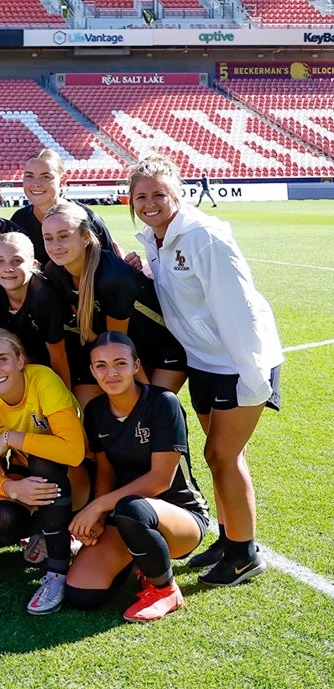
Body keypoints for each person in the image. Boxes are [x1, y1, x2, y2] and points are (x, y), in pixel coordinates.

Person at [129, 154, 281, 587]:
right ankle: (229, 540)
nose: (151, 202)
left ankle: (244, 555)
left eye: (159, 193)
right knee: (222, 460)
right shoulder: (156, 238)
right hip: (204, 362)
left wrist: (252, 377)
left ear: (178, 192)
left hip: (238, 362)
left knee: (221, 454)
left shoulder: (204, 236)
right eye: (142, 196)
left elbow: (239, 308)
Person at [66, 332, 210, 621]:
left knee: (132, 507)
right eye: (102, 365)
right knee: (81, 593)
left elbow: (160, 480)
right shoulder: (95, 411)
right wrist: (99, 518)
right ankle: (139, 559)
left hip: (178, 516)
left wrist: (97, 506)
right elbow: (105, 470)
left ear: (135, 366)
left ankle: (165, 589)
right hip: (124, 515)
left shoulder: (162, 403)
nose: (111, 373)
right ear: (93, 371)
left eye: (120, 363)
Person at [0, 328, 86, 615]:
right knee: (0, 516)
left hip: (77, 474)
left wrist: (11, 437)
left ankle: (57, 572)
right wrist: (13, 489)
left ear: (20, 360)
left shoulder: (43, 379)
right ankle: (47, 531)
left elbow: (74, 451)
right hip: (28, 476)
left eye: (2, 359)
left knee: (44, 461)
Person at [42, 201, 186, 408]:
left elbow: (120, 347)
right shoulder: (55, 272)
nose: (55, 246)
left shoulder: (113, 278)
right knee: (92, 414)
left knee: (148, 410)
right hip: (117, 349)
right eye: (48, 238)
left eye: (64, 236)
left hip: (163, 350)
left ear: (84, 237)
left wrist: (143, 402)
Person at [0, 231, 71, 389]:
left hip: (66, 365)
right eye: (0, 261)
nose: (8, 268)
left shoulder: (43, 297)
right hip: (26, 367)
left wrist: (65, 397)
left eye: (17, 260)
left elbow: (58, 355)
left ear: (33, 264)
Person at [9, 149, 120, 264]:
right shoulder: (18, 220)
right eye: (29, 176)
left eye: (46, 176)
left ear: (62, 180)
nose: (36, 183)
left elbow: (111, 267)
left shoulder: (87, 219)